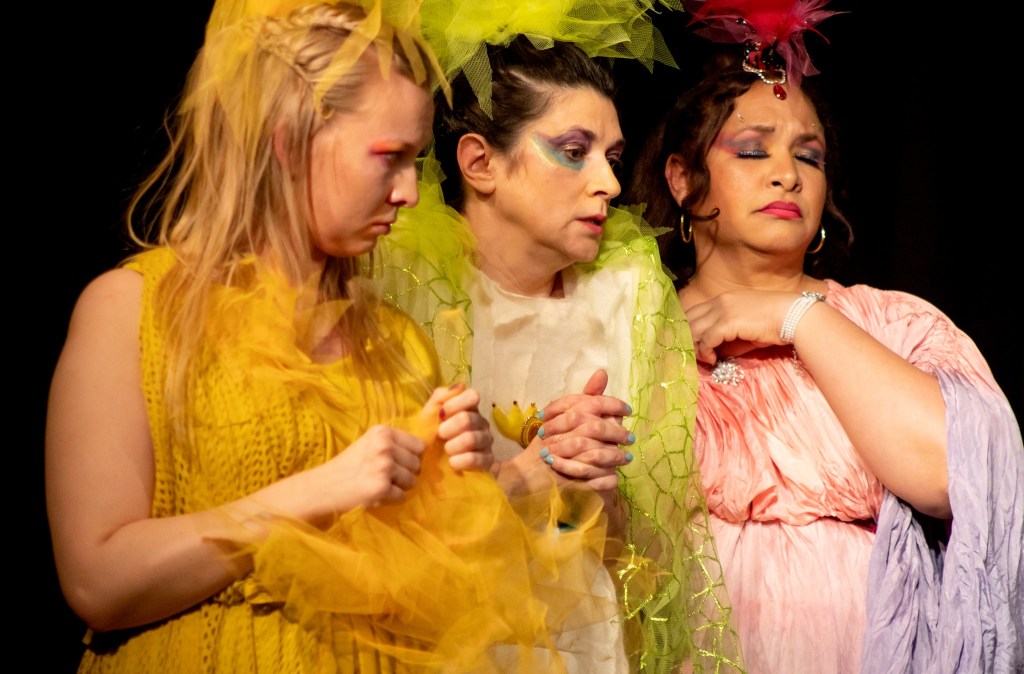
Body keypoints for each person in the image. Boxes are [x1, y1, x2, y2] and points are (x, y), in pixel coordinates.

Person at [45, 1, 625, 671]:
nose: (410, 192)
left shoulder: (395, 343)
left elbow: (424, 585)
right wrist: (323, 488)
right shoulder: (135, 309)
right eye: (389, 157)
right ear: (289, 140)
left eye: (415, 159)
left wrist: (490, 479)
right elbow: (99, 584)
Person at [624, 8, 1024, 672]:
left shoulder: (892, 323)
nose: (787, 173)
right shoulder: (632, 329)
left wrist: (798, 318)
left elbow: (955, 476)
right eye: (753, 150)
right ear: (683, 179)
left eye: (807, 156)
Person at [375, 17, 744, 673]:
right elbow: (376, 535)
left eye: (612, 159)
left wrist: (593, 491)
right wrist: (525, 475)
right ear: (480, 163)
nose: (609, 184)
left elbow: (652, 563)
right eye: (574, 151)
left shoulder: (626, 300)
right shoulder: (405, 291)